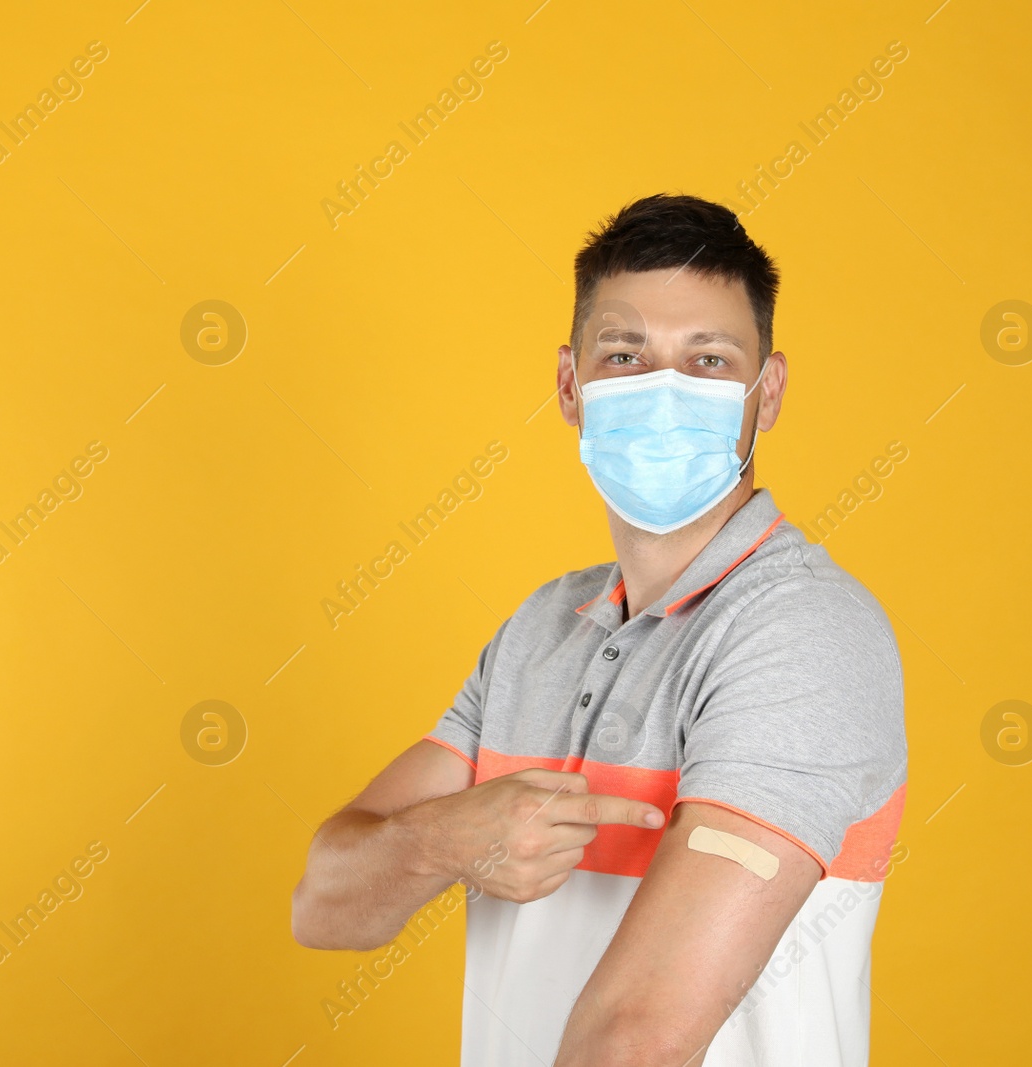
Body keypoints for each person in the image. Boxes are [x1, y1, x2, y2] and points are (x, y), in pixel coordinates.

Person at [291, 193, 908, 1066]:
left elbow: (638, 1039)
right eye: (626, 355)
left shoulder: (804, 634)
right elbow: (324, 903)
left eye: (708, 360)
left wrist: (443, 838)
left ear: (766, 394)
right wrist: (444, 839)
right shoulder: (543, 629)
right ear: (570, 386)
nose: (666, 393)